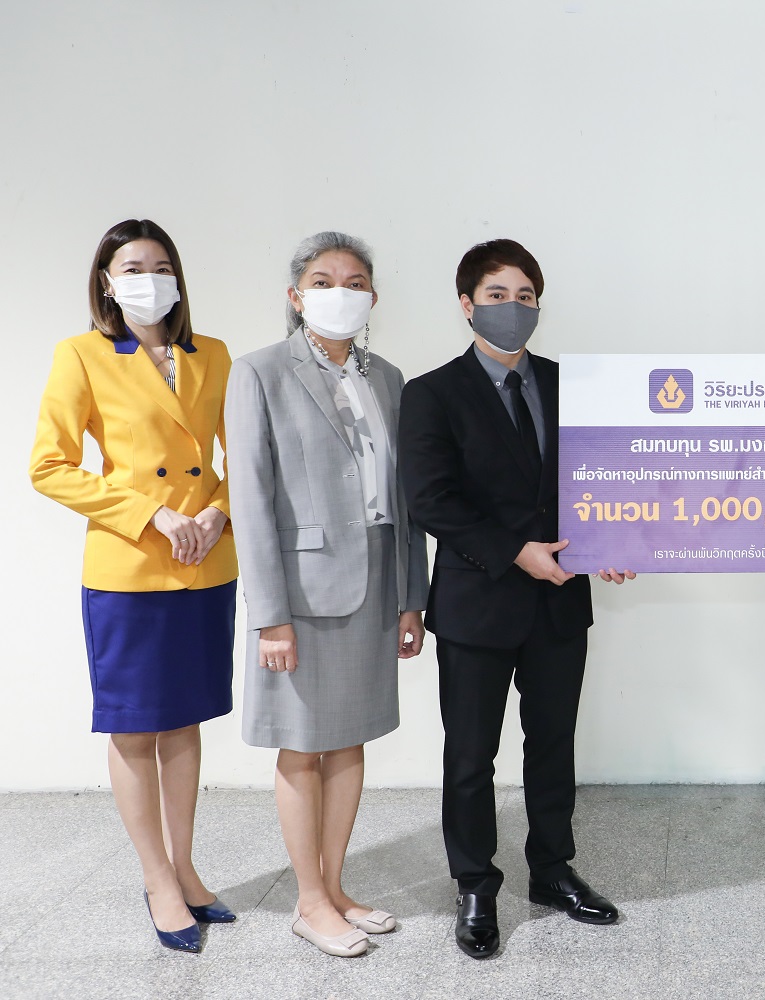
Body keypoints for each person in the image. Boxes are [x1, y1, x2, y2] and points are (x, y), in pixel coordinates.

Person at [399, 238, 635, 960]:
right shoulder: (432, 393)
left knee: (553, 744)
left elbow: (603, 481)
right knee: (471, 756)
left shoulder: (573, 385)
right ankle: (475, 884)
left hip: (559, 601)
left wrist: (616, 540)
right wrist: (514, 551)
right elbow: (430, 500)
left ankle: (552, 870)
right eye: (497, 295)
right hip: (478, 603)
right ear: (467, 305)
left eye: (525, 296)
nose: (513, 307)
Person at [30, 219, 238, 954]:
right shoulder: (82, 354)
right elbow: (49, 466)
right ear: (106, 282)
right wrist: (151, 514)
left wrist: (218, 512)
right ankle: (156, 878)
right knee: (135, 724)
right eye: (132, 267)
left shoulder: (213, 354)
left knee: (184, 721)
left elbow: (246, 456)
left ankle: (185, 867)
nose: (148, 278)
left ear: (177, 277)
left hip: (204, 560)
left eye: (160, 265)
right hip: (131, 566)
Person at [225, 232, 428, 958]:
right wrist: (270, 617)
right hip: (303, 594)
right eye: (323, 280)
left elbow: (404, 498)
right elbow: (250, 501)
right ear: (296, 295)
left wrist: (411, 594)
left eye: (355, 281)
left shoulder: (389, 378)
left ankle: (335, 888)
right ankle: (308, 902)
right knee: (302, 746)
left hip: (376, 582)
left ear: (372, 297)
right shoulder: (259, 372)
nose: (340, 292)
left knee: (349, 741)